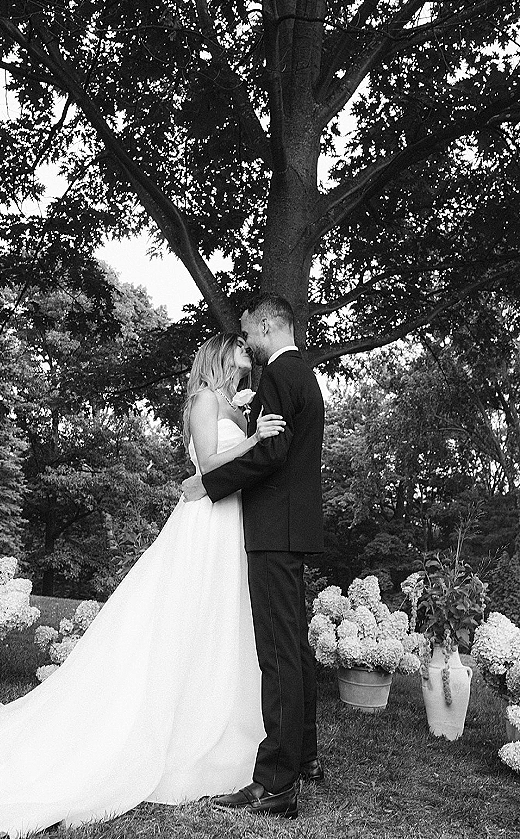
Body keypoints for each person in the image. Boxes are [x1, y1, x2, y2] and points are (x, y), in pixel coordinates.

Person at [0, 333, 286, 838]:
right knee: (186, 619)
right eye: (238, 348)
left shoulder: (231, 401)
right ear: (219, 355)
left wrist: (247, 421)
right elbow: (209, 464)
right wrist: (254, 439)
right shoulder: (204, 399)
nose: (246, 354)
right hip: (204, 525)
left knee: (222, 624)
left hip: (232, 525)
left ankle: (227, 729)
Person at [182, 293, 326, 820]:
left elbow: (271, 454)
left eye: (249, 330)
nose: (247, 340)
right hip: (289, 527)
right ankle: (304, 757)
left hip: (273, 529)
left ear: (267, 325)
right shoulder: (300, 374)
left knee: (279, 652)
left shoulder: (278, 378)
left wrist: (210, 483)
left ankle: (276, 782)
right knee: (295, 647)